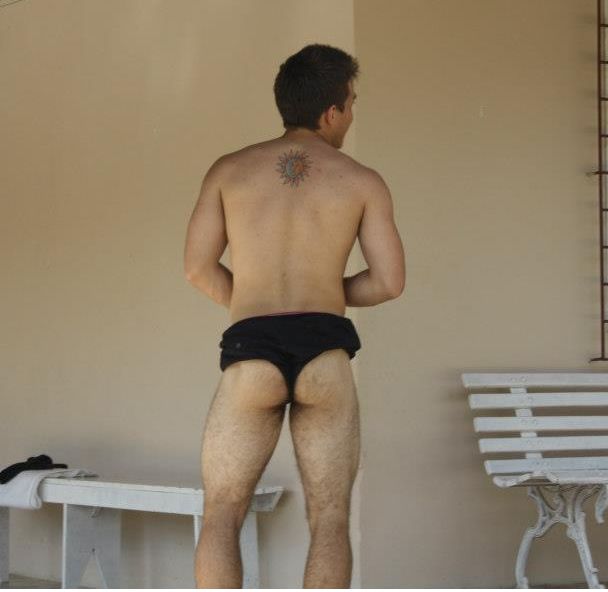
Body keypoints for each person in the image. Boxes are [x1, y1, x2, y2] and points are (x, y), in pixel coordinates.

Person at [184, 43, 405, 588]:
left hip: (251, 345)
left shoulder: (228, 171)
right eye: (351, 104)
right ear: (331, 112)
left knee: (222, 513)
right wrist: (325, 291)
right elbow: (388, 282)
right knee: (329, 519)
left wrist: (251, 301)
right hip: (324, 349)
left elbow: (197, 267)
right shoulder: (362, 181)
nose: (351, 115)